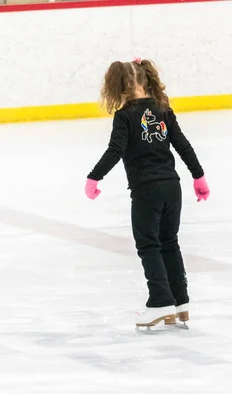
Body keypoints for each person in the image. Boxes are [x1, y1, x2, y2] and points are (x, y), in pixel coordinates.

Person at [84, 58, 210, 328]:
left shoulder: (125, 115)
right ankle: (180, 302)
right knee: (169, 242)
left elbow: (115, 151)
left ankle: (160, 301)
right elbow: (183, 145)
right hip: (171, 187)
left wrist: (94, 176)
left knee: (148, 245)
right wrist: (198, 176)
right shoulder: (163, 109)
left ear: (118, 86)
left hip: (146, 190)